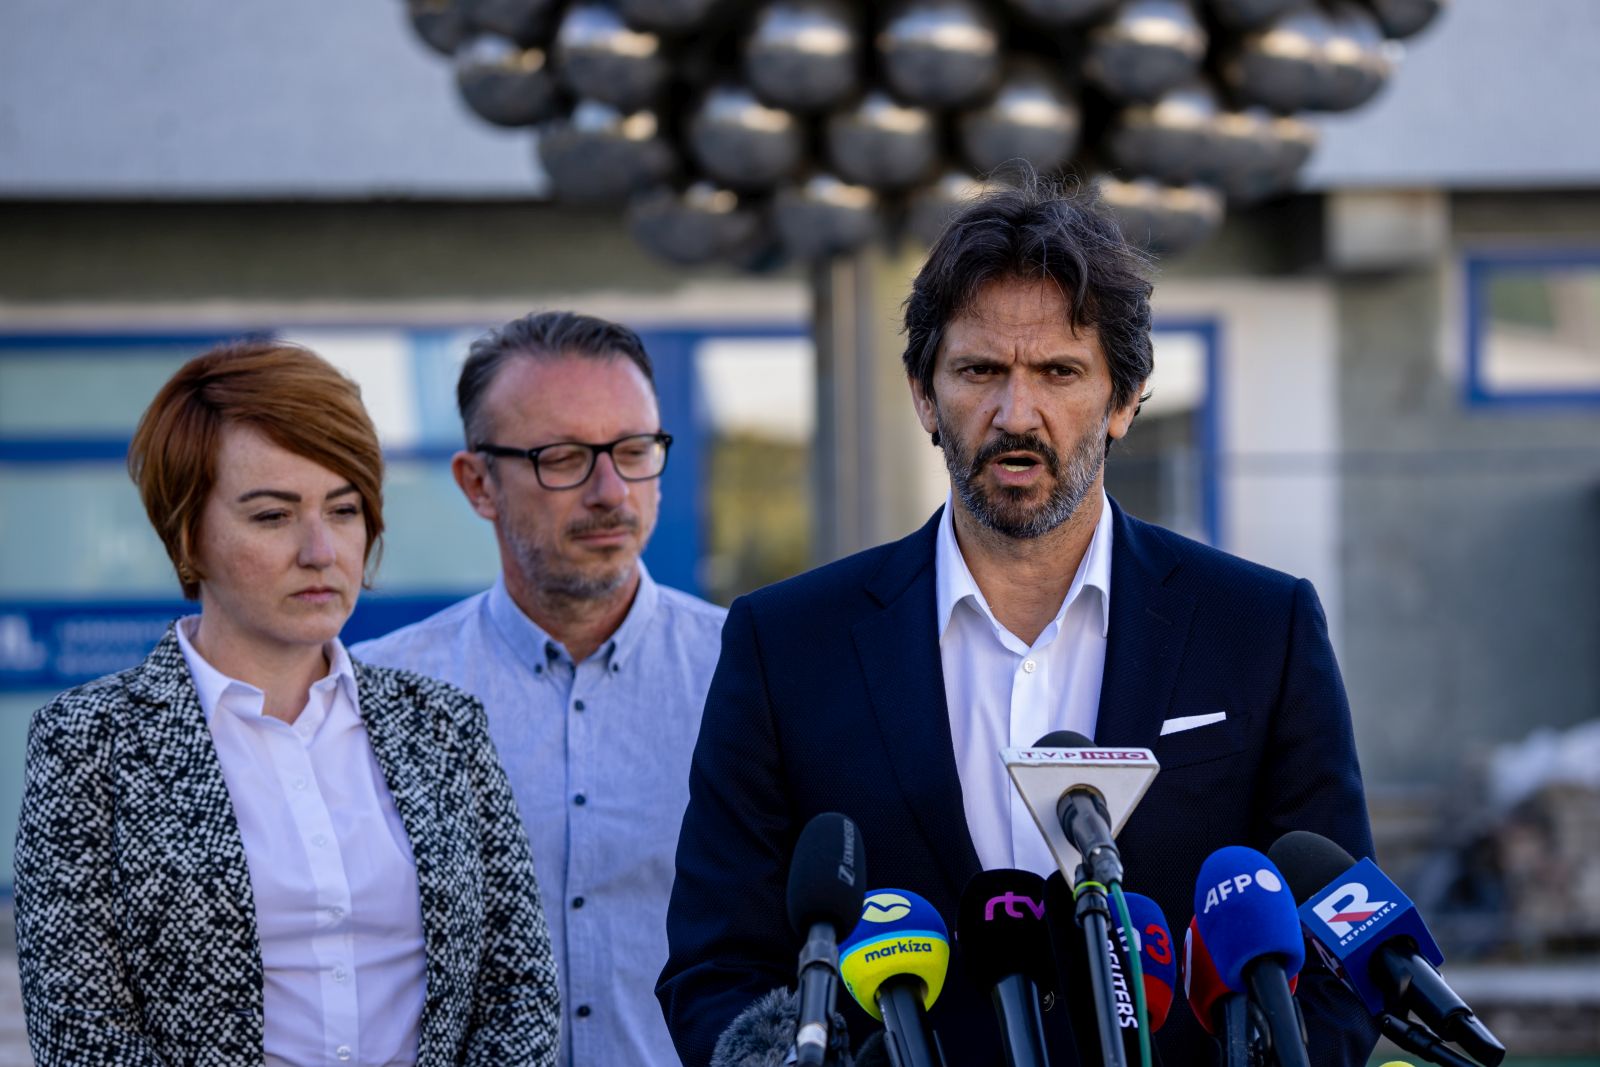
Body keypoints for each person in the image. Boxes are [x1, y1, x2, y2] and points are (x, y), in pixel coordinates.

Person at [660, 178, 1379, 1066]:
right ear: (926, 398)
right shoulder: (787, 643)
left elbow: (1339, 949)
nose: (1015, 414)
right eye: (979, 371)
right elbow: (718, 962)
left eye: (1059, 372)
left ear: (1124, 399)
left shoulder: (1262, 627)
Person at [13, 340, 559, 1067]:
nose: (320, 549)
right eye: (272, 515)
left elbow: (519, 989)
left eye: (343, 509)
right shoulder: (89, 742)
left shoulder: (444, 726)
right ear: (187, 535)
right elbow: (80, 1029)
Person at [353, 311, 726, 1067]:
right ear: (477, 482)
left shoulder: (750, 673)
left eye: (633, 450)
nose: (609, 490)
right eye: (562, 457)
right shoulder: (380, 695)